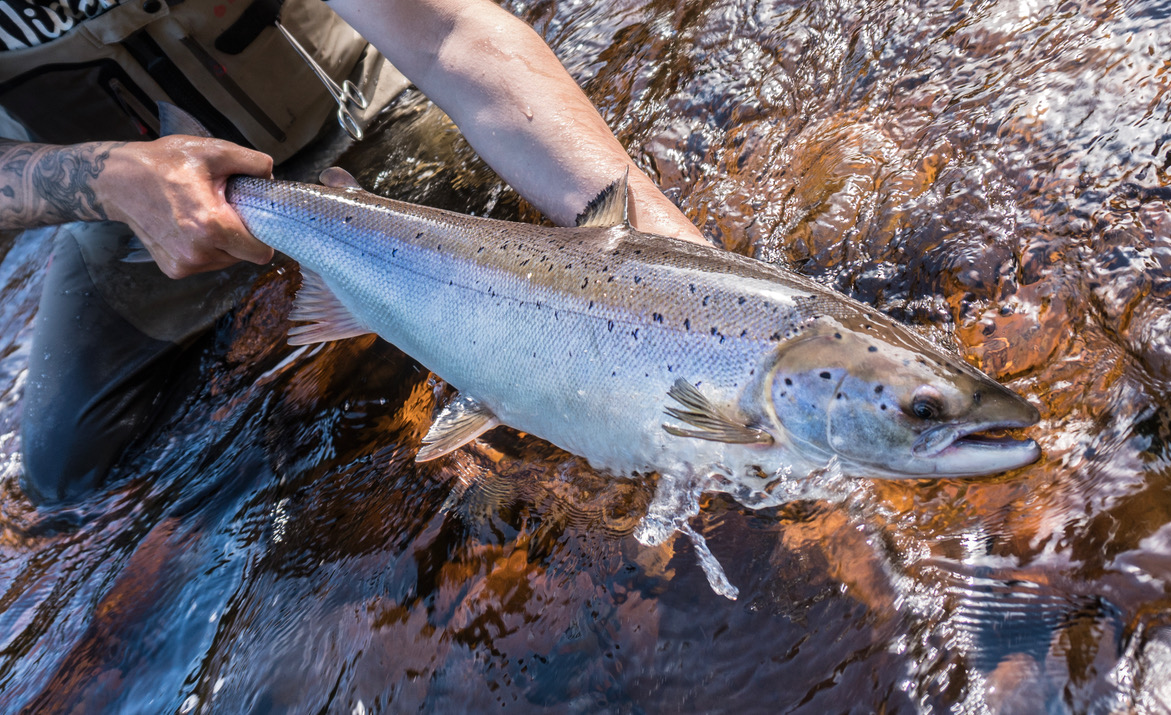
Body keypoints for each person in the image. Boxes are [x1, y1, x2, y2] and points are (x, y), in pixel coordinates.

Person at [0, 0, 704, 504]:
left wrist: (658, 246)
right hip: (118, 208)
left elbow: (447, 31)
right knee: (68, 477)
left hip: (363, 112)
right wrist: (108, 179)